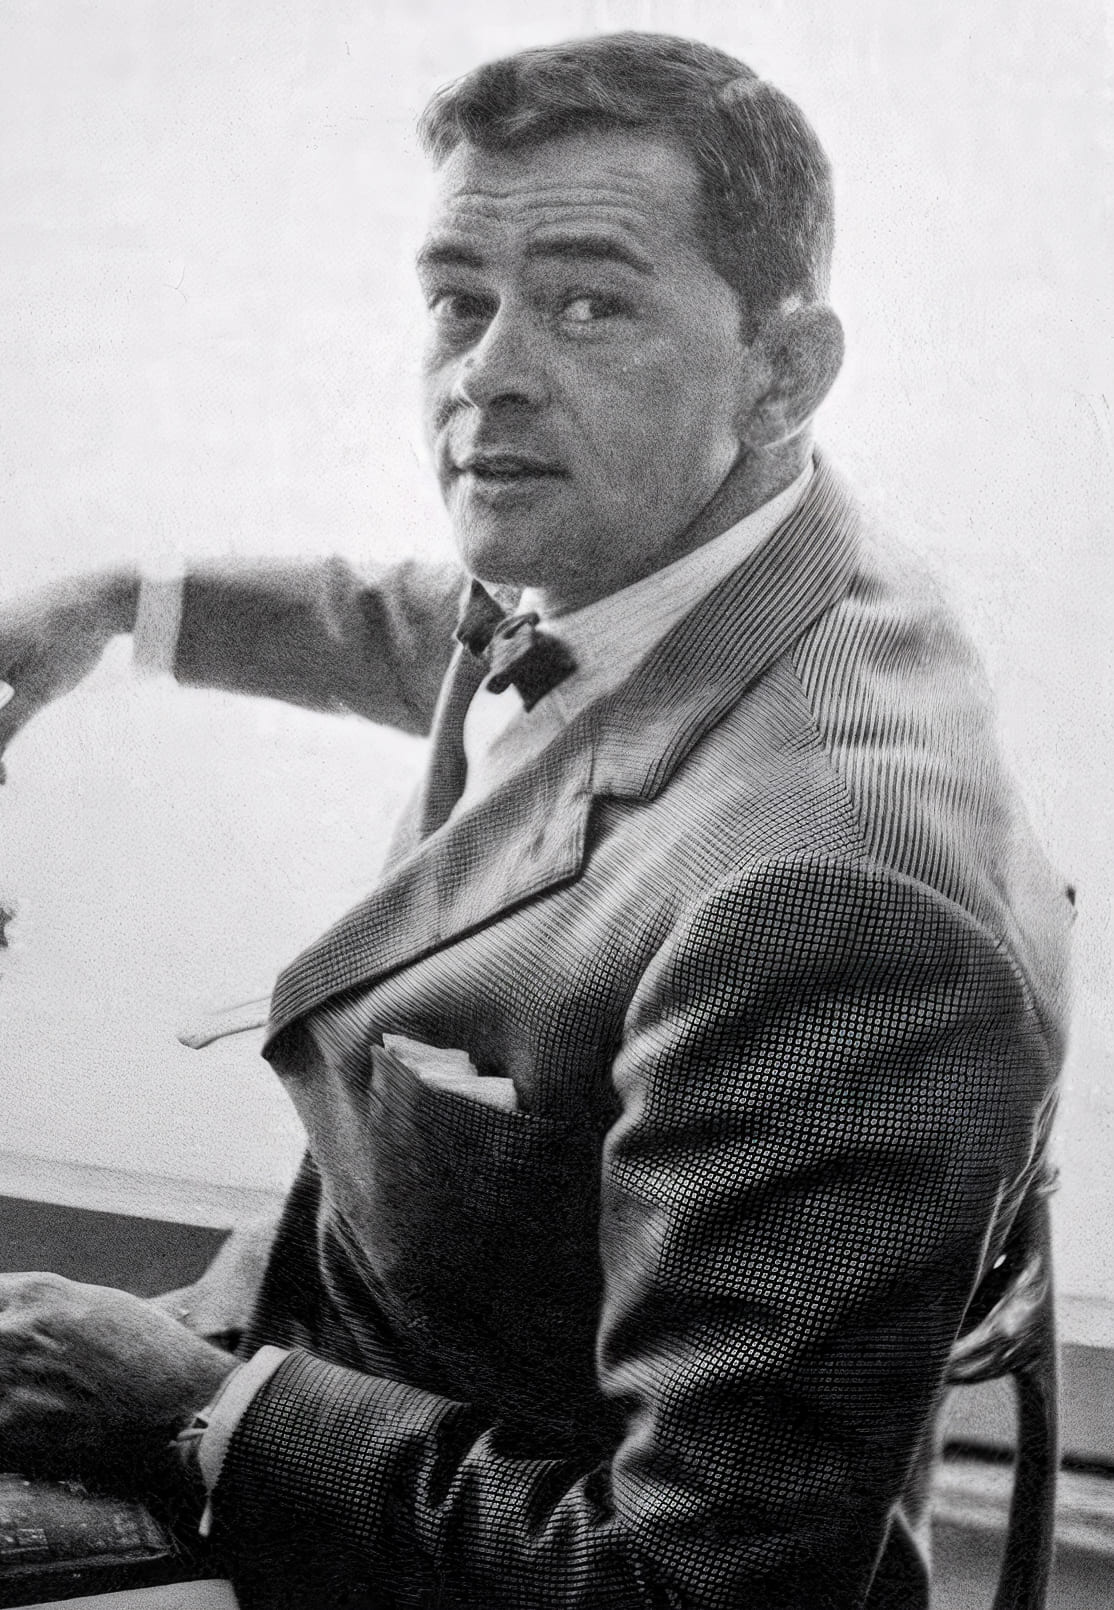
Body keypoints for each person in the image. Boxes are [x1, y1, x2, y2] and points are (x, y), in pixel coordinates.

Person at [0, 32, 1073, 1610]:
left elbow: (699, 1584)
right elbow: (456, 631)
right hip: (362, 1354)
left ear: (783, 370)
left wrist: (196, 1410)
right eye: (458, 300)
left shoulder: (828, 897)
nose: (484, 372)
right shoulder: (735, 553)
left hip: (434, 1522)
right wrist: (125, 604)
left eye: (588, 305)